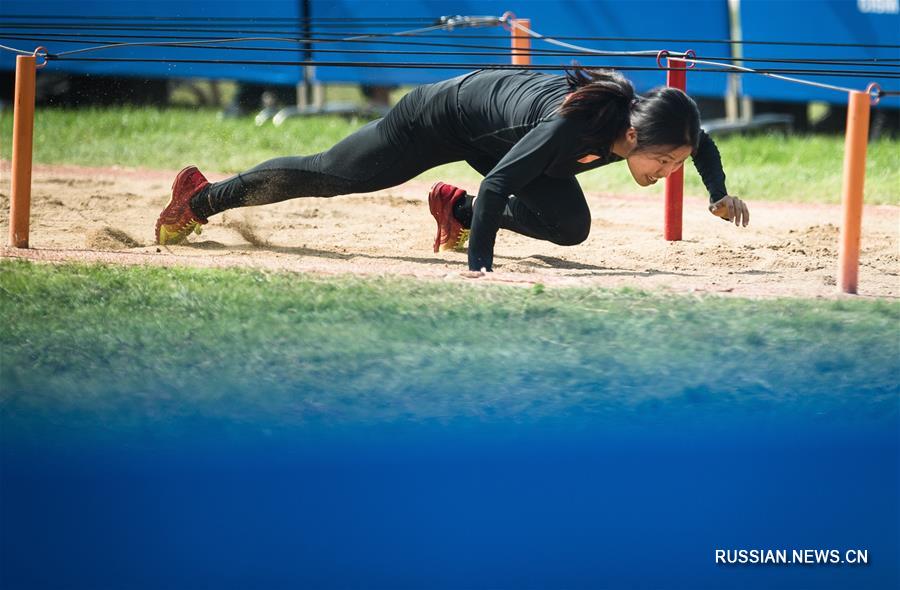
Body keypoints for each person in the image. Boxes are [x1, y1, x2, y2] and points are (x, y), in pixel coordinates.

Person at [155, 68, 749, 273]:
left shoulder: (651, 133)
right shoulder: (569, 131)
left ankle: (452, 210)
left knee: (569, 224)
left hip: (498, 139)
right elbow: (499, 185)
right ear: (631, 134)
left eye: (675, 164)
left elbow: (702, 145)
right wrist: (481, 268)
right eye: (663, 161)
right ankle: (202, 198)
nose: (668, 172)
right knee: (334, 174)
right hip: (440, 117)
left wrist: (717, 194)